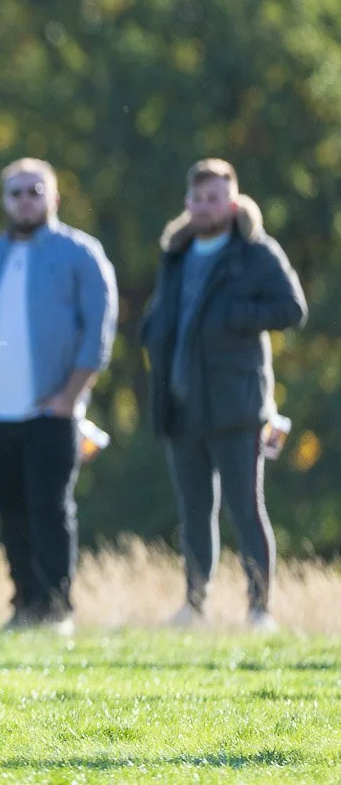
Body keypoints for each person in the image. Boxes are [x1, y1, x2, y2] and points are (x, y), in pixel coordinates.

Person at [0, 158, 117, 634]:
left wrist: (70, 397)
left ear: (53, 198)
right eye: (16, 192)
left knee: (51, 509)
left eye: (35, 191)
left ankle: (58, 609)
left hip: (52, 410)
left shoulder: (81, 253)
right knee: (10, 512)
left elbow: (99, 330)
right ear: (4, 200)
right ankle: (24, 606)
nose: (25, 200)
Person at [140, 159, 306, 631]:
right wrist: (151, 331)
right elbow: (163, 313)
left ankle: (260, 609)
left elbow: (292, 309)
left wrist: (233, 315)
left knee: (245, 509)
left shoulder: (254, 253)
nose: (204, 207)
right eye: (197, 198)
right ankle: (194, 606)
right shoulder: (175, 254)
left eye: (214, 198)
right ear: (187, 203)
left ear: (233, 203)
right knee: (193, 511)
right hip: (180, 403)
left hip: (238, 406)